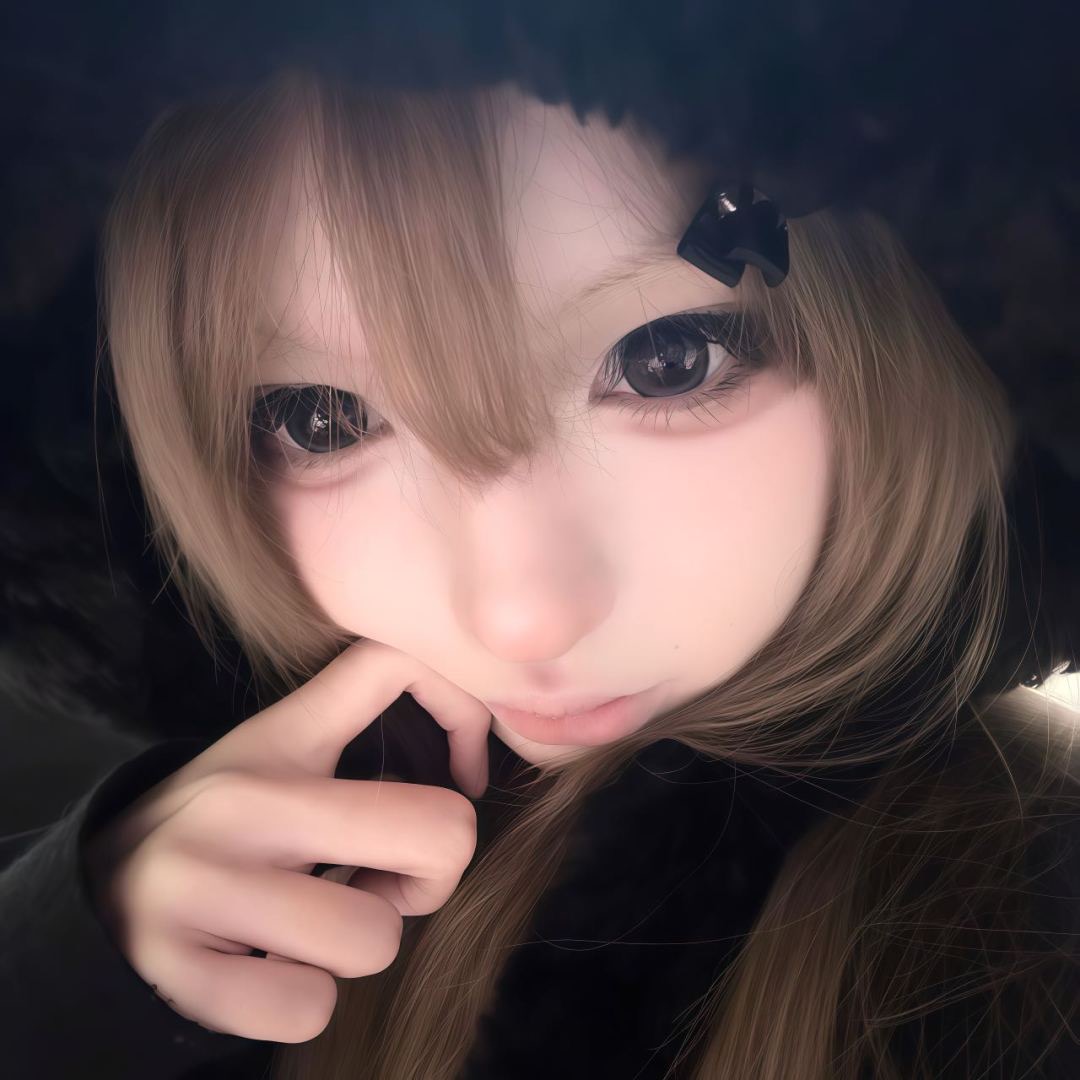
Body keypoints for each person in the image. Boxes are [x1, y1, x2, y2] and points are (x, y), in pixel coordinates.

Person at [2, 64, 1078, 1080]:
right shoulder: (182, 896)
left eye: (667, 360)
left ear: (899, 336)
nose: (519, 616)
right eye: (322, 418)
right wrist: (62, 974)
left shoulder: (1020, 931)